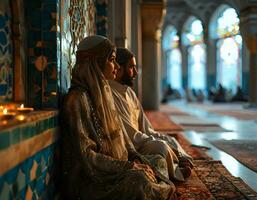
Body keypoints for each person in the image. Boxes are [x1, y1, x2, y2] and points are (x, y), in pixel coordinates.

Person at [61, 35, 175, 200]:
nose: (116, 66)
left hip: (117, 167)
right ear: (96, 62)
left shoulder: (104, 93)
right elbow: (87, 156)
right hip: (93, 178)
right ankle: (159, 190)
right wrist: (128, 167)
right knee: (138, 180)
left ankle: (157, 190)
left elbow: (121, 137)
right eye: (112, 60)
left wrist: (136, 158)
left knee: (157, 161)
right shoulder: (77, 99)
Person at [109, 47, 193, 182]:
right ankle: (176, 171)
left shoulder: (130, 93)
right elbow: (131, 136)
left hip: (141, 140)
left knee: (170, 139)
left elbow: (147, 128)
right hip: (131, 145)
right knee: (161, 147)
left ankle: (178, 161)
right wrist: (158, 142)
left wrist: (163, 140)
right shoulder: (112, 95)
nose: (136, 72)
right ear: (119, 69)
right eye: (132, 67)